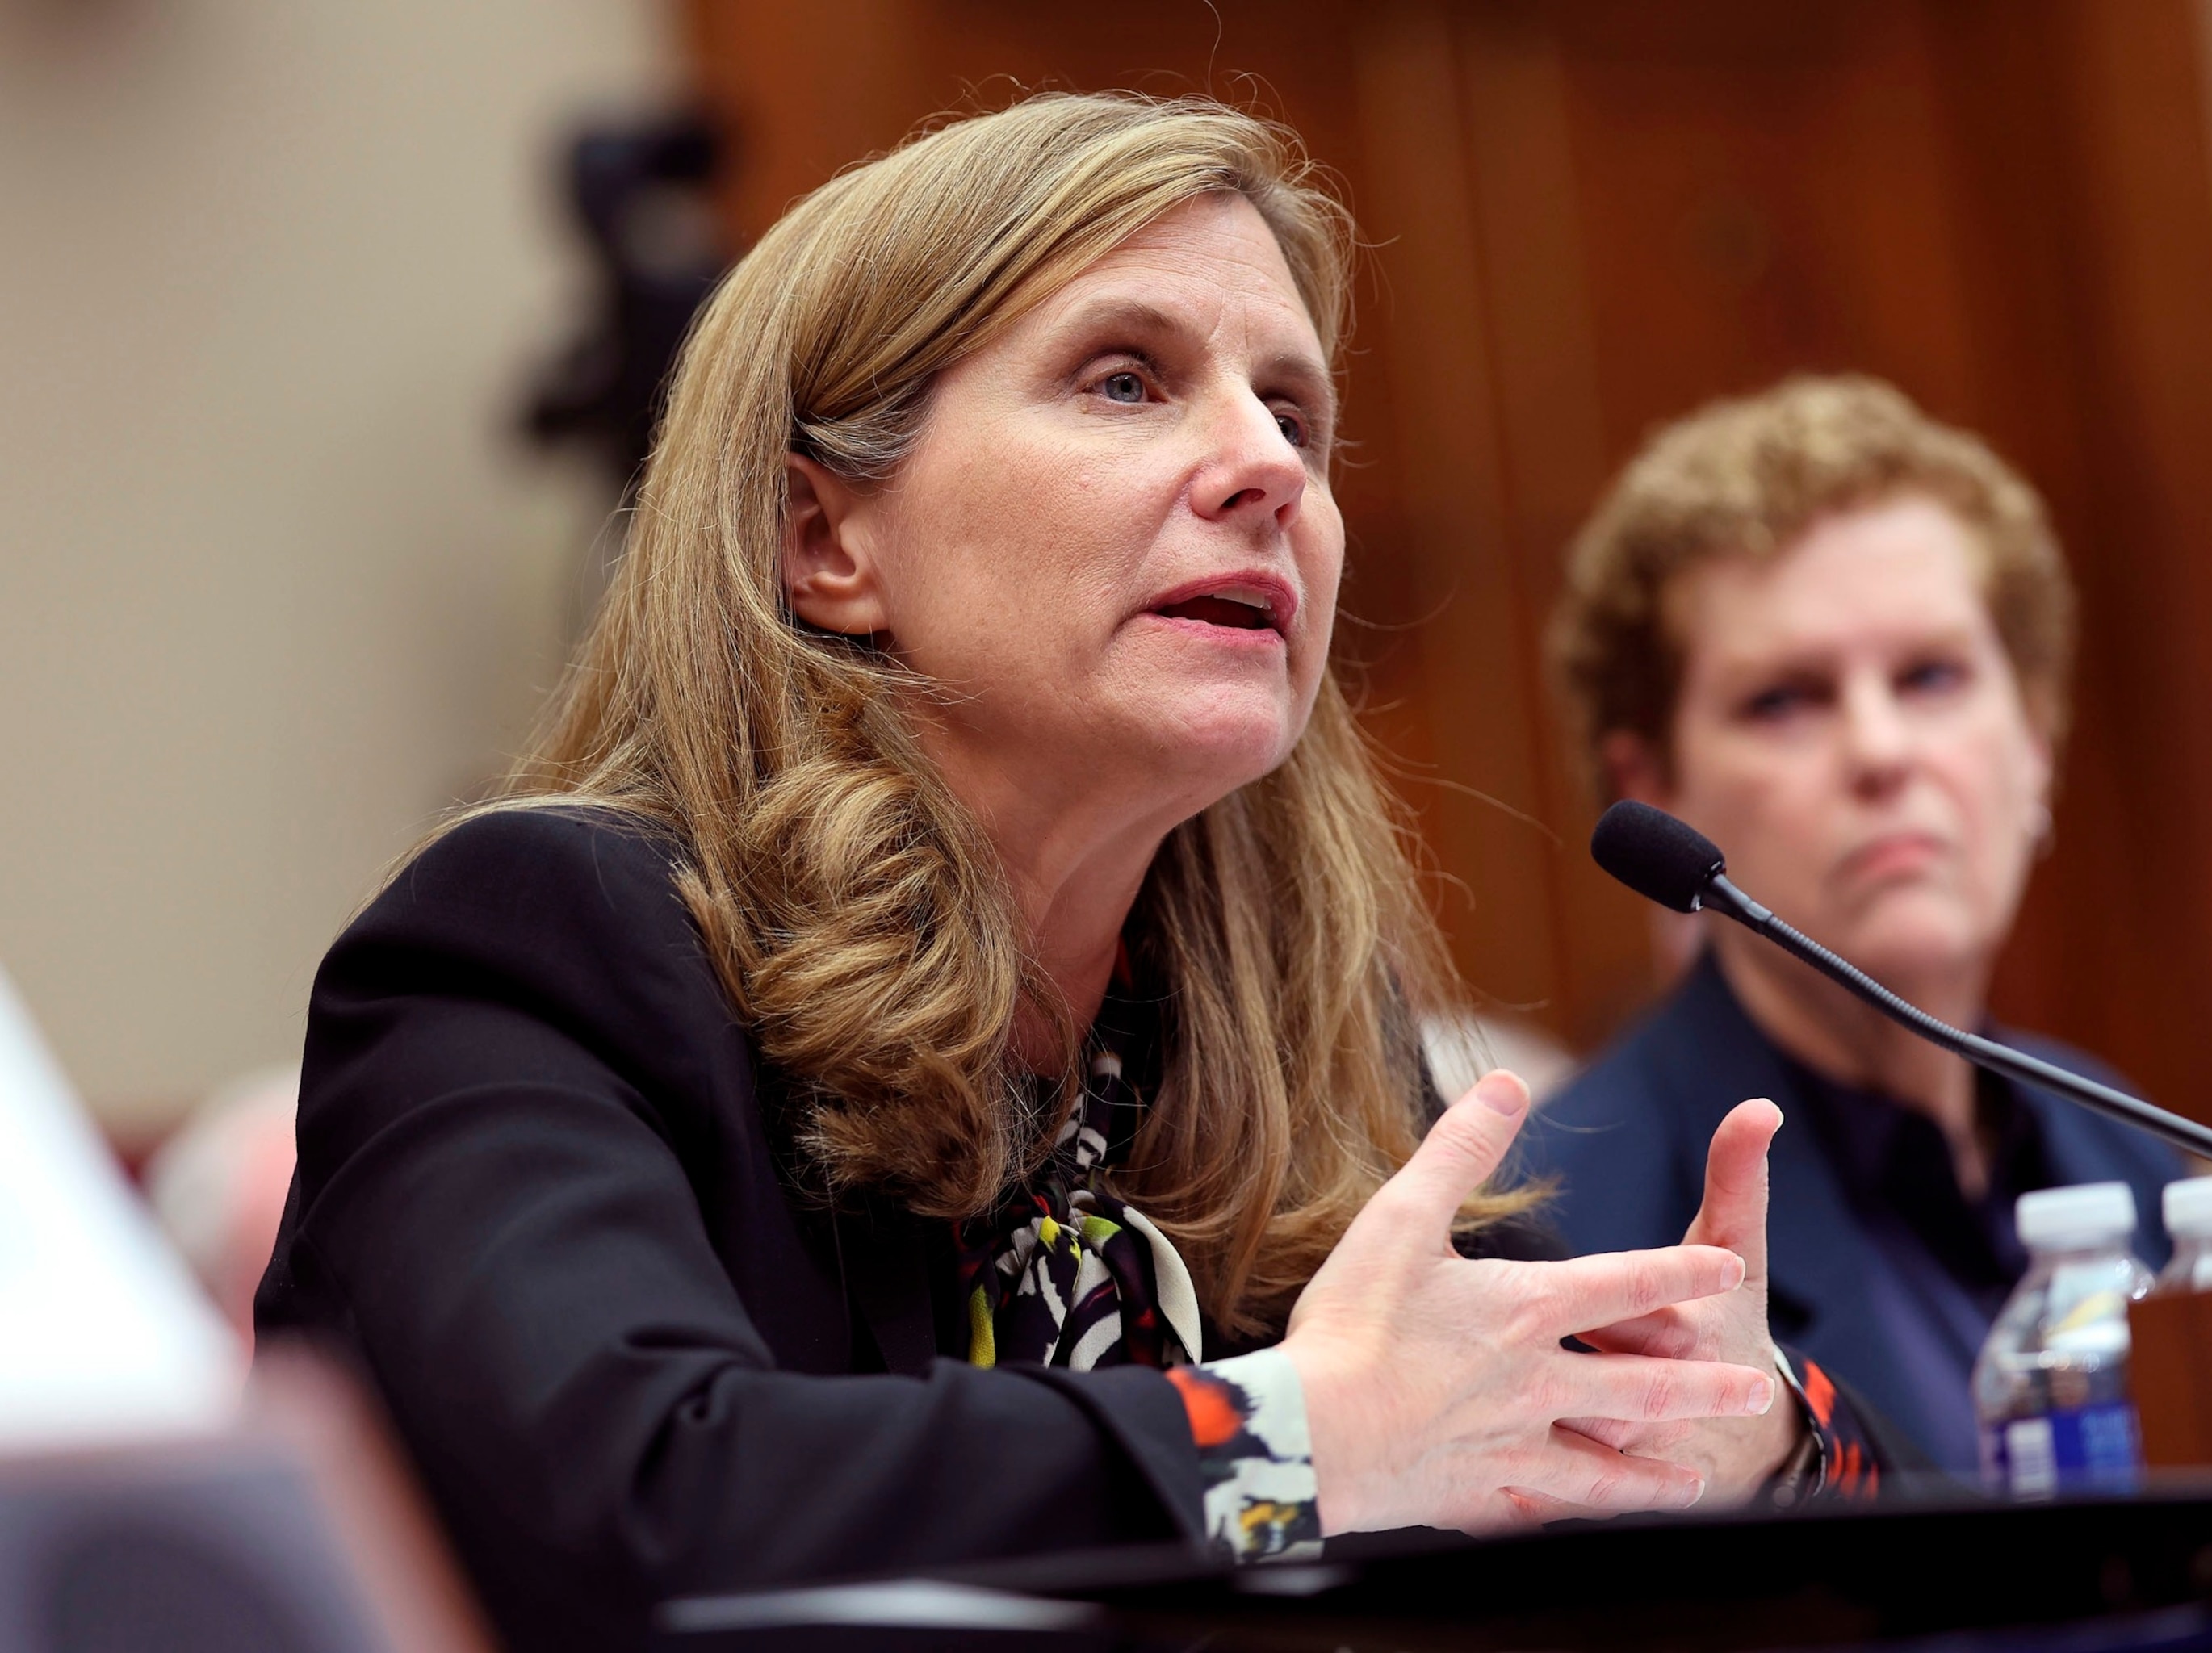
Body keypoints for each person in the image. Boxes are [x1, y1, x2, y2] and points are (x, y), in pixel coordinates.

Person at [256, 96, 1857, 1652]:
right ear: (829, 540)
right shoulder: (541, 955)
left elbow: (1840, 1519)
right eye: (1124, 381)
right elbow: (650, 1517)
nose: (1268, 470)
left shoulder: (1269, 1032)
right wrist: (1282, 1438)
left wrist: (1742, 1442)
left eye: (1295, 413)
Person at [1531, 376, 2185, 1475]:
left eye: (1931, 676)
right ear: (1656, 791)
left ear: (2035, 744)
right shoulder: (1573, 1235)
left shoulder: (2125, 1146)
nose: (1882, 752)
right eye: (1784, 699)